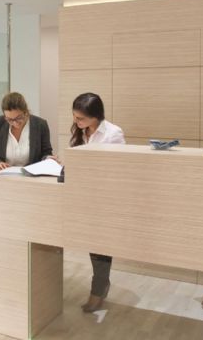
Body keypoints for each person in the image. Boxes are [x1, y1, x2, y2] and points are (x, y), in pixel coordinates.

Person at [70, 92, 125, 313]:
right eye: (75, 117)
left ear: (96, 116)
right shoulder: (81, 131)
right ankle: (101, 286)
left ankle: (98, 289)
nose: (76, 121)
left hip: (105, 196)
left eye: (81, 118)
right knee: (92, 243)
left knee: (100, 245)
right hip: (84, 194)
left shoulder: (113, 133)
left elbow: (118, 167)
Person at [0, 92, 54, 170]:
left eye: (18, 118)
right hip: (1, 173)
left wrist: (47, 158)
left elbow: (46, 152)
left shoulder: (40, 125)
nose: (15, 123)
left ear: (26, 112)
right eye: (10, 119)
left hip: (29, 174)